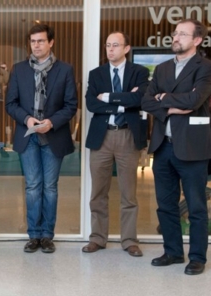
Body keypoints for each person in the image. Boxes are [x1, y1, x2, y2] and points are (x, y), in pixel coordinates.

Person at [142, 19, 211, 276]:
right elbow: (146, 101)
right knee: (165, 204)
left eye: (183, 34)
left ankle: (197, 257)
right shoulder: (161, 69)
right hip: (163, 146)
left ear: (196, 40)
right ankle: (172, 251)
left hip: (193, 148)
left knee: (195, 206)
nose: (176, 37)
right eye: (175, 33)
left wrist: (164, 100)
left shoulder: (205, 67)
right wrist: (171, 105)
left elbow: (195, 99)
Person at [5, 24, 77, 253]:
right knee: (33, 187)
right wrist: (26, 119)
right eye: (33, 41)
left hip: (53, 136)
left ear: (51, 43)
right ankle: (33, 235)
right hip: (28, 136)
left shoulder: (65, 70)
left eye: (41, 41)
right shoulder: (19, 69)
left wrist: (52, 122)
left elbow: (71, 105)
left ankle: (47, 235)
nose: (36, 45)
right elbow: (11, 104)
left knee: (50, 188)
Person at [82, 31, 149, 257]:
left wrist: (109, 98)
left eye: (116, 45)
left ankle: (129, 240)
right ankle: (97, 238)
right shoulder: (96, 73)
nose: (110, 50)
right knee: (98, 192)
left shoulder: (139, 72)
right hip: (102, 137)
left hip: (128, 135)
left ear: (127, 48)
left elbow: (140, 99)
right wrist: (123, 102)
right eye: (108, 45)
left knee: (128, 192)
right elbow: (92, 104)